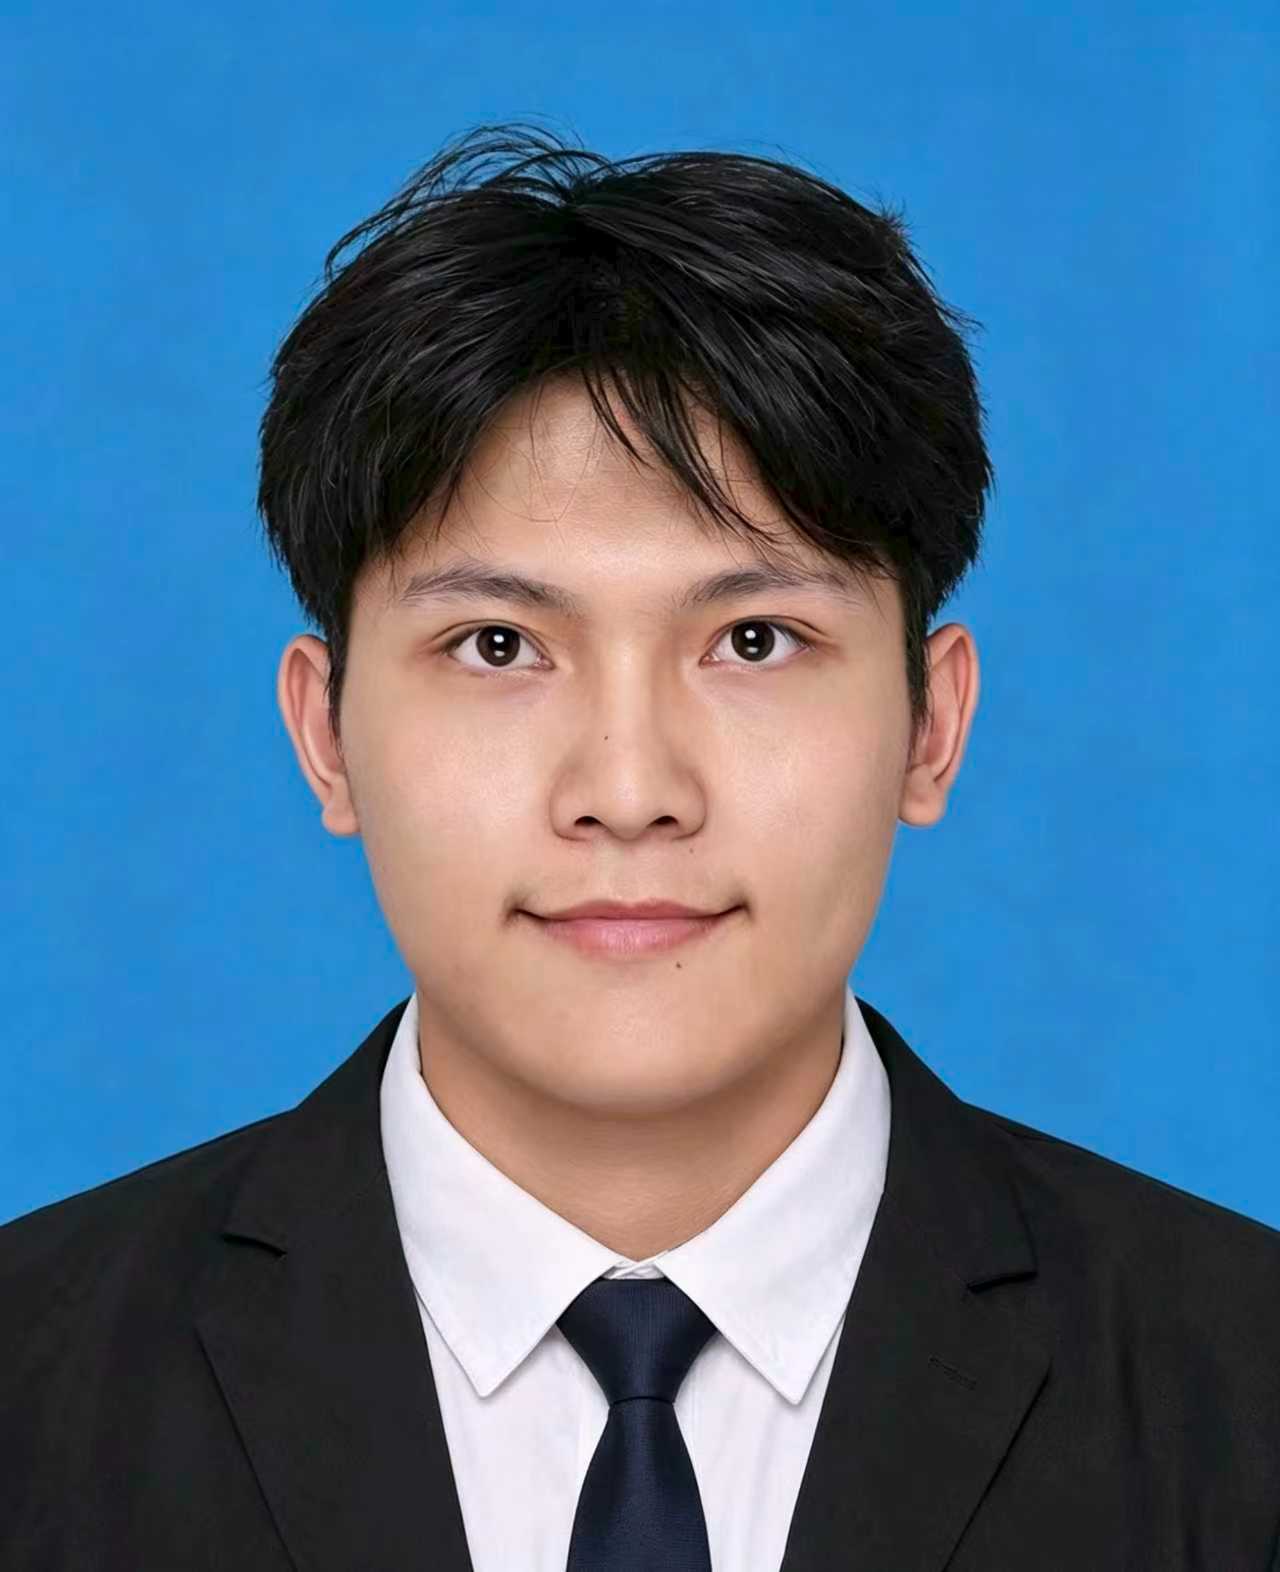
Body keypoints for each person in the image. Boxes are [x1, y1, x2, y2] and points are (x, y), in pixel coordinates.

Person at [2, 121, 1277, 1572]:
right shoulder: (32, 1395)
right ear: (326, 734)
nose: (628, 789)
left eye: (755, 640)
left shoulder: (1238, 1392)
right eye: (498, 645)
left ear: (932, 726)